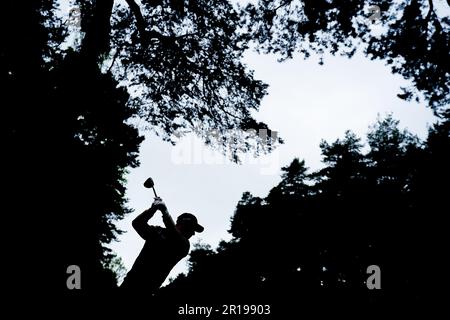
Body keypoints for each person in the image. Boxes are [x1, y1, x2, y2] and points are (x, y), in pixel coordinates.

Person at [120, 197, 204, 292]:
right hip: (129, 283)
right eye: (192, 229)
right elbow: (137, 223)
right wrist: (153, 209)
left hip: (146, 291)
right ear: (183, 225)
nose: (193, 233)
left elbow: (175, 236)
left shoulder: (184, 245)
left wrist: (165, 212)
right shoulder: (158, 231)